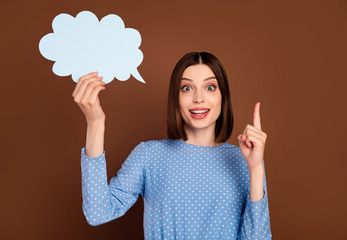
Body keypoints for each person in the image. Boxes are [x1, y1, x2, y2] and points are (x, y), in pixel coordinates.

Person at [72, 52, 272, 239]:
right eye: (187, 88)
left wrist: (255, 169)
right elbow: (97, 213)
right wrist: (95, 124)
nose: (198, 98)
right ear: (176, 98)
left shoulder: (244, 160)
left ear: (223, 96)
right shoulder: (149, 155)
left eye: (210, 87)